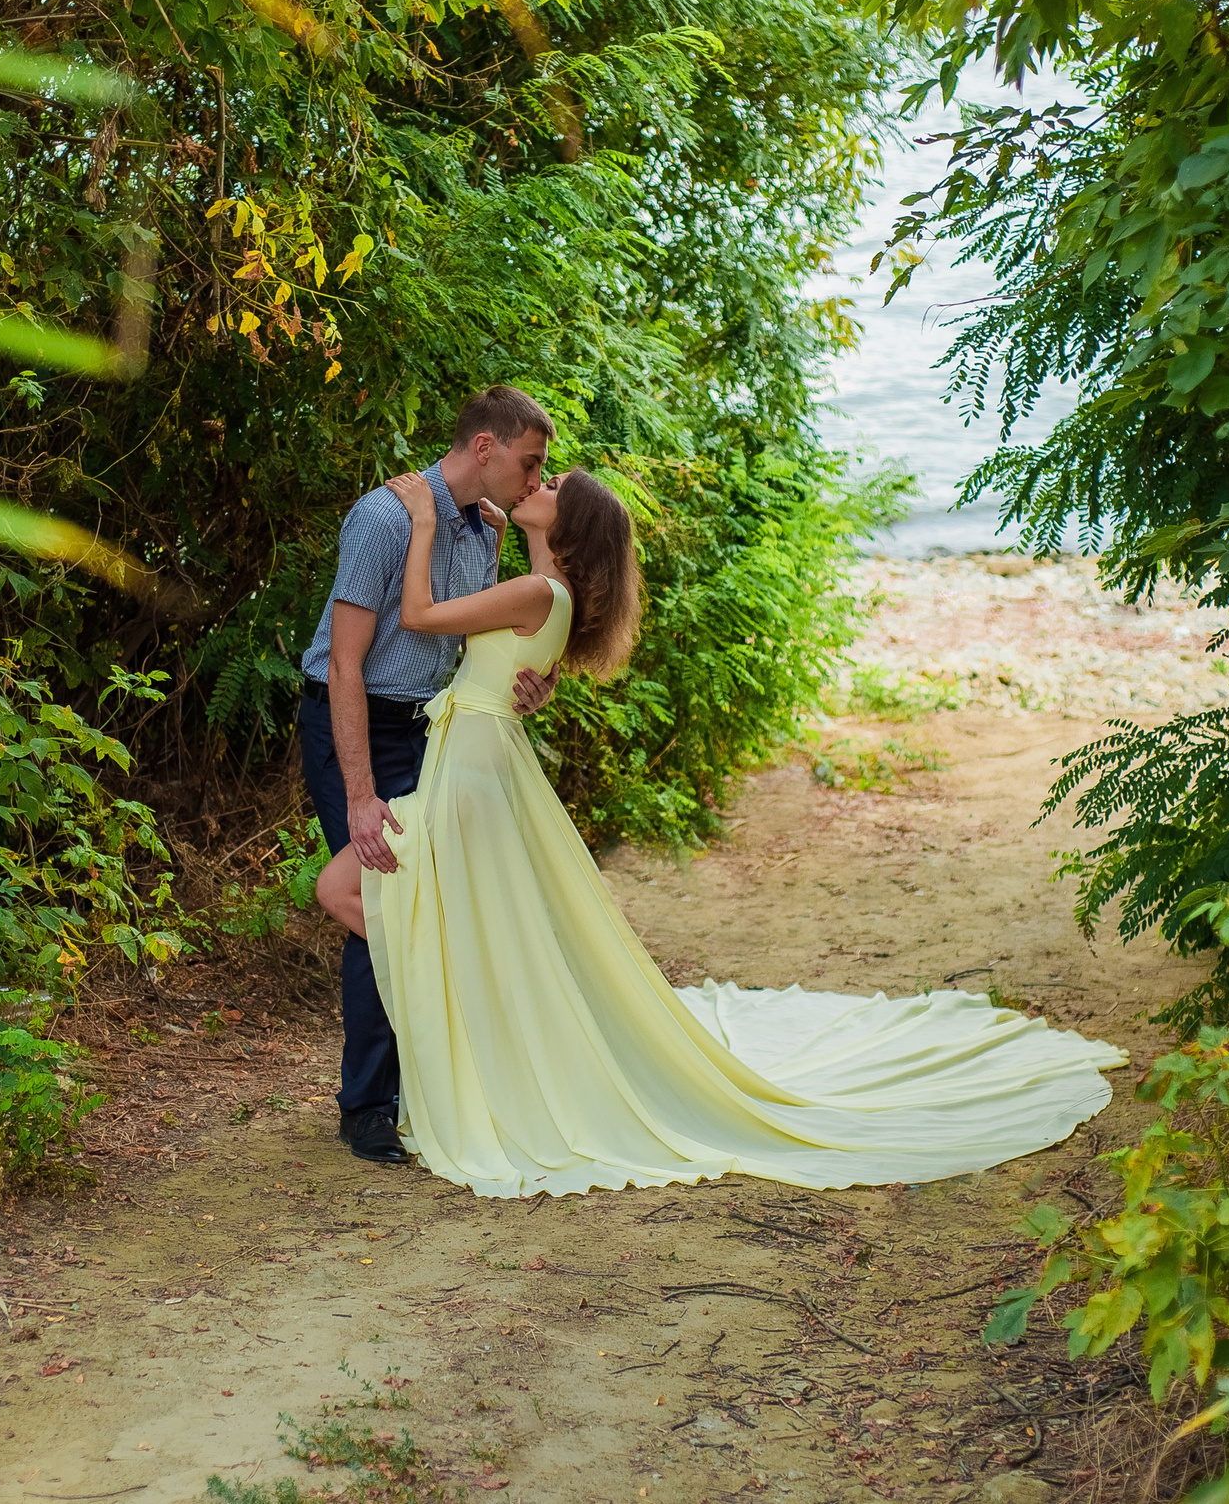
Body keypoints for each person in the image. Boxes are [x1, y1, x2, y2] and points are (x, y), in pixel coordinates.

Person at [313, 464, 1131, 1197]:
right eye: (542, 472)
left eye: (551, 486)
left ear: (569, 529)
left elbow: (418, 613)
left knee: (349, 887)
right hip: (474, 759)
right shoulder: (543, 595)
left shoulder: (538, 596)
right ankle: (465, 1008)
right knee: (403, 899)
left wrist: (423, 522)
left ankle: (460, 1009)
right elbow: (515, 637)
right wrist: (509, 574)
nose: (537, 485)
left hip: (471, 766)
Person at [297, 386, 560, 1164]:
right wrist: (360, 795)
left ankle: (425, 1083)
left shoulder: (488, 528)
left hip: (429, 726)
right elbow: (344, 662)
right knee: (380, 893)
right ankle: (368, 1106)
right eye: (530, 461)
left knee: (418, 898)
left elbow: (473, 637)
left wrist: (528, 678)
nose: (537, 478)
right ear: (485, 447)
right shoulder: (382, 518)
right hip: (352, 720)